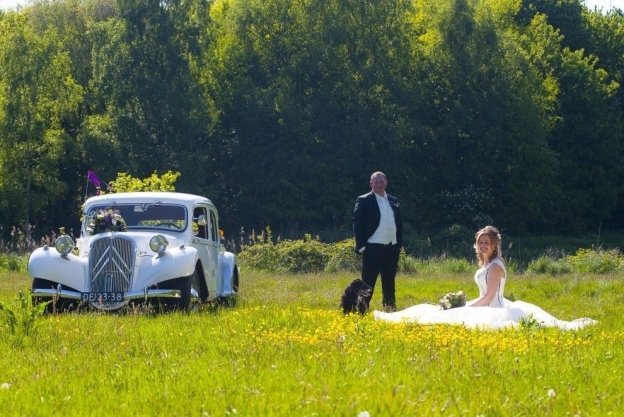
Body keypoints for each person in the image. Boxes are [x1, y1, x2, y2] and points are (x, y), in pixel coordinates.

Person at [374, 226, 597, 330]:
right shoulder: (486, 263)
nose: (483, 245)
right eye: (480, 242)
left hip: (494, 307)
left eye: (486, 242)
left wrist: (466, 305)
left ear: (494, 245)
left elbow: (490, 296)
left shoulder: (496, 266)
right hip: (485, 303)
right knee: (431, 310)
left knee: (454, 317)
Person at [353, 171, 403, 312]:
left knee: (389, 282)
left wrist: (398, 245)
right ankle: (362, 310)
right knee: (368, 282)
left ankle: (390, 309)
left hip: (391, 248)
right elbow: (357, 224)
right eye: (376, 182)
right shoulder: (363, 200)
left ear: (386, 182)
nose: (379, 184)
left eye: (381, 181)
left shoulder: (393, 200)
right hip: (373, 248)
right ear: (371, 184)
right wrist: (362, 247)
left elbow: (399, 224)